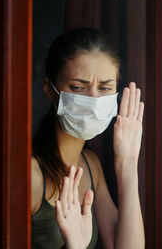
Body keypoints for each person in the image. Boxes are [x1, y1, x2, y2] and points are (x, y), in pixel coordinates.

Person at [31, 27, 145, 249]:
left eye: (104, 88)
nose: (93, 100)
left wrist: (128, 163)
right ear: (49, 88)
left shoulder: (91, 165)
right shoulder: (32, 174)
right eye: (78, 87)